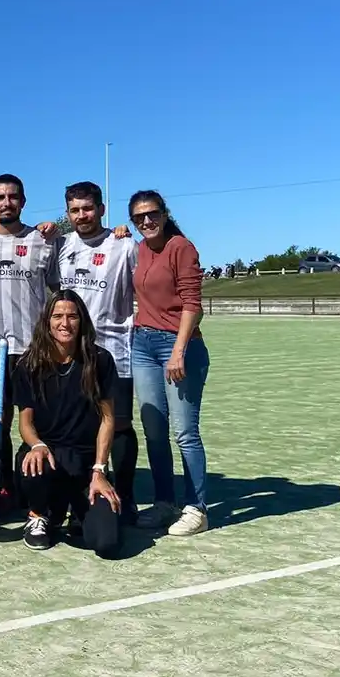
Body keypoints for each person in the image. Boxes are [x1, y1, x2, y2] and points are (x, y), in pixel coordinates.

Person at [0, 174, 61, 516]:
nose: (7, 202)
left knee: (39, 419)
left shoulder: (42, 241)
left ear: (23, 201)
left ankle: (40, 480)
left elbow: (58, 288)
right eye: (0, 198)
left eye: (13, 197)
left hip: (35, 348)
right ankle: (4, 484)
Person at [12, 291, 124, 557]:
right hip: (48, 458)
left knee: (105, 542)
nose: (65, 323)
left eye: (72, 316)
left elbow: (108, 419)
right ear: (47, 322)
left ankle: (76, 509)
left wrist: (99, 470)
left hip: (86, 463)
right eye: (58, 316)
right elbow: (25, 423)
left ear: (82, 320)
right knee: (32, 463)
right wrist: (37, 445)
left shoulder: (100, 361)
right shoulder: (29, 364)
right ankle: (38, 513)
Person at [53, 181, 139, 523]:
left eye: (88, 208)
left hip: (115, 350)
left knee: (119, 424)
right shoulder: (62, 246)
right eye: (74, 210)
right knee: (79, 425)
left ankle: (128, 496)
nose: (81, 215)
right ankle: (78, 491)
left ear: (102, 209)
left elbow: (144, 286)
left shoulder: (124, 245)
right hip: (72, 354)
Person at [129, 190, 209, 537]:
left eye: (152, 214)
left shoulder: (182, 247)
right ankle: (165, 503)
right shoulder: (142, 248)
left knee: (184, 432)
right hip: (142, 343)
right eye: (138, 218)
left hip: (179, 346)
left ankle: (197, 508)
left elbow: (193, 303)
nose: (146, 222)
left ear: (164, 213)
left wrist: (178, 351)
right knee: (154, 430)